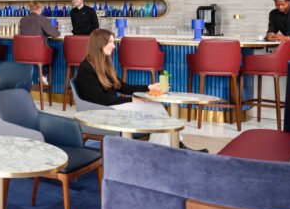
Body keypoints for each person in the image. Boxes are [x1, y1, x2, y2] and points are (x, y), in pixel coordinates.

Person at [75, 29, 204, 150]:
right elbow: (102, 100)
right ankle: (171, 147)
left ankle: (168, 147)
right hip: (102, 110)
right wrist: (132, 99)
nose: (114, 46)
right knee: (155, 110)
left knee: (156, 107)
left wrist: (148, 87)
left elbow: (122, 86)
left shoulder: (104, 64)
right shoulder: (86, 68)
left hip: (111, 106)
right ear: (99, 44)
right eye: (110, 42)